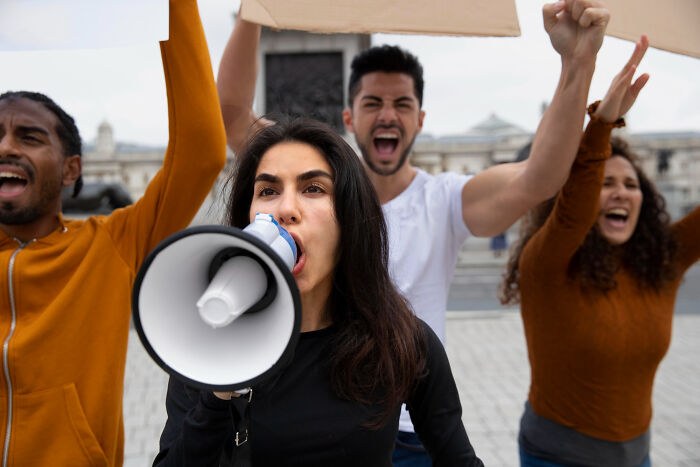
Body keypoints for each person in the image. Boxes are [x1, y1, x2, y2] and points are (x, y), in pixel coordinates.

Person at [217, 0, 610, 462]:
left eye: (402, 104)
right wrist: (253, 9)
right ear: (349, 119)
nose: (388, 115)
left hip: (416, 422)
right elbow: (232, 115)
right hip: (332, 411)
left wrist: (577, 63)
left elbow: (540, 177)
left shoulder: (445, 199)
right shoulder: (311, 186)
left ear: (420, 120)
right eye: (373, 103)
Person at [153, 118, 484, 466]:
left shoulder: (400, 340)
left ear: (348, 216)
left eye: (313, 189)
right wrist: (219, 388)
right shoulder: (202, 347)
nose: (285, 210)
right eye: (268, 191)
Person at [0, 1, 226, 464]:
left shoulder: (110, 245)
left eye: (28, 136)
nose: (5, 146)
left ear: (71, 169)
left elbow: (202, 150)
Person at [500, 36, 700, 467]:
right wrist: (602, 123)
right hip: (556, 457)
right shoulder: (545, 266)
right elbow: (573, 215)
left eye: (631, 185)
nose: (620, 194)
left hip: (637, 456)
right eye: (605, 183)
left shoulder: (660, 264)